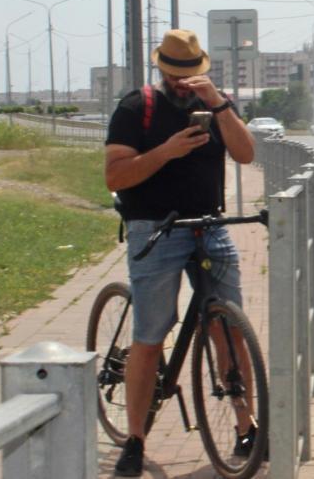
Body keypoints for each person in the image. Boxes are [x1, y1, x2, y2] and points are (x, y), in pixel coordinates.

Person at [104, 29, 256, 477]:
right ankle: (135, 438)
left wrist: (221, 106)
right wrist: (167, 152)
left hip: (208, 226)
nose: (182, 83)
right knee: (151, 335)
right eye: (175, 74)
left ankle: (246, 426)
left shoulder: (217, 102)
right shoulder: (137, 108)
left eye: (191, 74)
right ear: (161, 69)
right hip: (155, 228)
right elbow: (115, 176)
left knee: (228, 328)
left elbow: (245, 155)